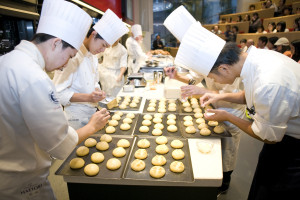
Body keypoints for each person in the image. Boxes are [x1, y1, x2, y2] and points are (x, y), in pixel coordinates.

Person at [173, 20, 300, 200]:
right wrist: (220, 96)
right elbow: (249, 95)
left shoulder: (268, 83)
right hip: (281, 135)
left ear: (224, 68)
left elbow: (268, 137)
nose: (213, 82)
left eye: (211, 77)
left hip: (293, 147)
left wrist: (226, 116)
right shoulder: (257, 59)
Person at [0, 0, 111, 199]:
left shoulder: (7, 61)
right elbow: (59, 144)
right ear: (56, 43)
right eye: (69, 56)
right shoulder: (34, 77)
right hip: (23, 184)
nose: (64, 65)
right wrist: (93, 126)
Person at [163, 9, 247, 197]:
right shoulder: (203, 56)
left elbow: (234, 94)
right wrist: (177, 76)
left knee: (228, 152)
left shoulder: (226, 58)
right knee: (211, 151)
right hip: (212, 107)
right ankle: (210, 182)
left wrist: (204, 91)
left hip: (232, 112)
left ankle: (225, 183)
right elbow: (194, 79)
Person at [53, 9, 129, 130]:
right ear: (93, 35)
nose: (103, 50)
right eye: (103, 45)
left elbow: (94, 82)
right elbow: (57, 93)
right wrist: (88, 97)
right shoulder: (71, 56)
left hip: (92, 114)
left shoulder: (93, 56)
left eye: (106, 47)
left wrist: (97, 91)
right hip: (76, 119)